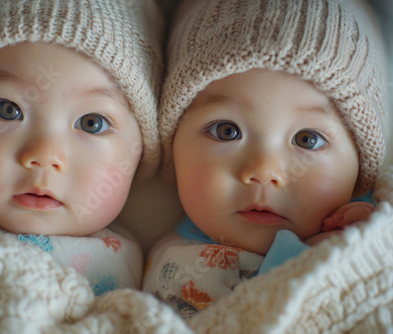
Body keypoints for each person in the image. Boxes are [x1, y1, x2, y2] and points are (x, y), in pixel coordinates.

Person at [0, 0, 164, 296]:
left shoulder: (133, 277)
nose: (45, 156)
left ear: (137, 155)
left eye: (92, 123)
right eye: (7, 110)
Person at [143, 0, 389, 317]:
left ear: (360, 168)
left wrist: (367, 249)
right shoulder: (175, 262)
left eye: (307, 139)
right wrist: (307, 263)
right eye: (226, 131)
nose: (263, 172)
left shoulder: (376, 234)